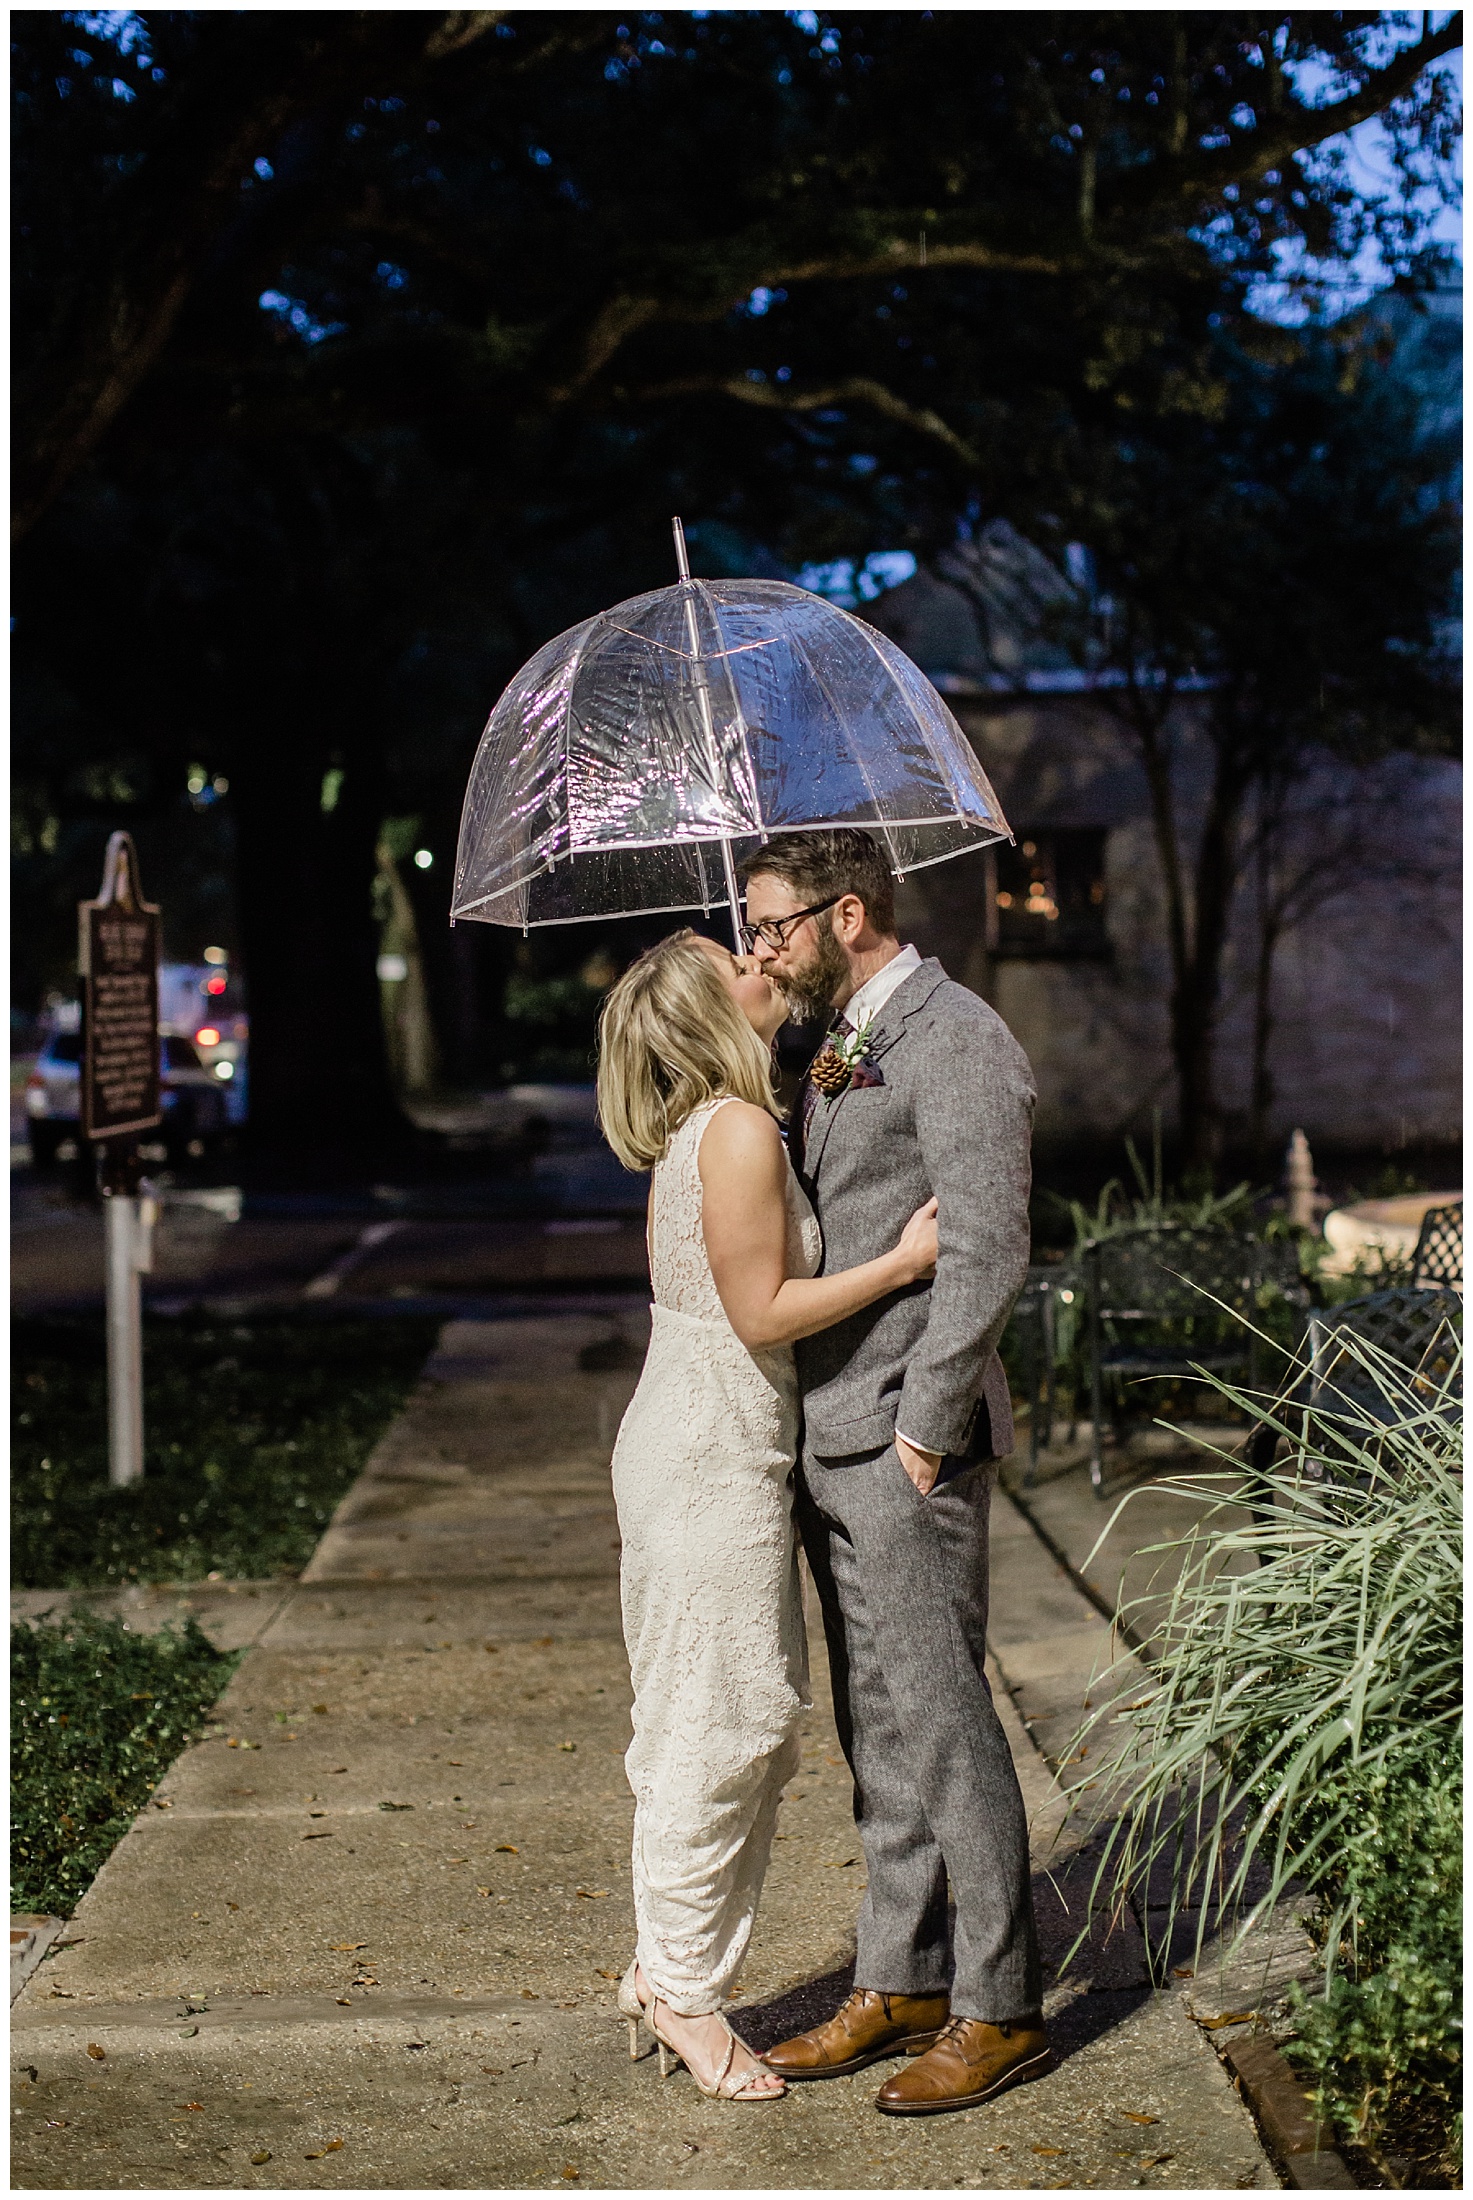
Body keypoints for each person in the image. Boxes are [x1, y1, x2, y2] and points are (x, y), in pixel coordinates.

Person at [596, 928, 939, 2105]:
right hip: (706, 1456)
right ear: (710, 1006)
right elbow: (763, 1310)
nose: (765, 962)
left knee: (722, 1714)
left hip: (708, 1447)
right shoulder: (735, 1131)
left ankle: (665, 1965)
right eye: (738, 958)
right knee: (720, 1724)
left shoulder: (717, 1125)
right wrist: (902, 1264)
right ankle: (685, 1993)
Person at [741, 827, 1050, 2119]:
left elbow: (985, 1251)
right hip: (832, 1435)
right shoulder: (822, 1041)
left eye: (770, 926)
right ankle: (897, 1977)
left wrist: (922, 1429)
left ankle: (997, 2005)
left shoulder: (960, 1039)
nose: (758, 946)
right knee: (878, 1731)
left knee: (947, 1726)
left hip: (908, 1445)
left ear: (846, 913)